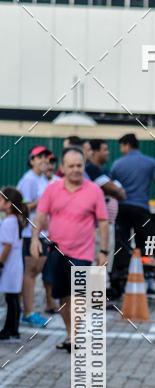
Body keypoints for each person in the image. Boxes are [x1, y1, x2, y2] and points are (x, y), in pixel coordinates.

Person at [30, 146, 109, 352]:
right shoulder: (52, 189)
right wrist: (34, 239)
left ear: (84, 166)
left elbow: (102, 222)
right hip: (57, 251)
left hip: (83, 252)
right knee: (62, 296)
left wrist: (104, 251)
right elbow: (40, 215)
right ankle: (70, 334)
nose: (76, 169)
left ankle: (74, 336)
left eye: (79, 165)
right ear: (63, 168)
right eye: (71, 166)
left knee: (78, 296)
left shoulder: (94, 191)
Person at [108, 133, 155, 302]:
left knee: (121, 245)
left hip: (122, 209)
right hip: (141, 209)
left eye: (122, 146)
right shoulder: (150, 162)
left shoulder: (118, 164)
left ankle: (118, 281)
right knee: (145, 245)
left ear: (127, 145)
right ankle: (145, 280)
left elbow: (111, 187)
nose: (122, 150)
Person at [18, 146, 55, 326]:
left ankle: (23, 309)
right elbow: (21, 206)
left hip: (42, 233)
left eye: (45, 158)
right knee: (30, 274)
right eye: (39, 157)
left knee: (34, 273)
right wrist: (41, 203)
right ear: (31, 160)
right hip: (29, 234)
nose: (43, 160)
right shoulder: (29, 179)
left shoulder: (41, 179)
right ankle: (28, 312)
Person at [0, 187, 26, 341]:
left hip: (9, 266)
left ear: (8, 204)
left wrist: (1, 263)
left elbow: (7, 245)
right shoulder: (17, 219)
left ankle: (9, 329)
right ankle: (13, 329)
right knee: (13, 297)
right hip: (15, 265)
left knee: (11, 298)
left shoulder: (9, 222)